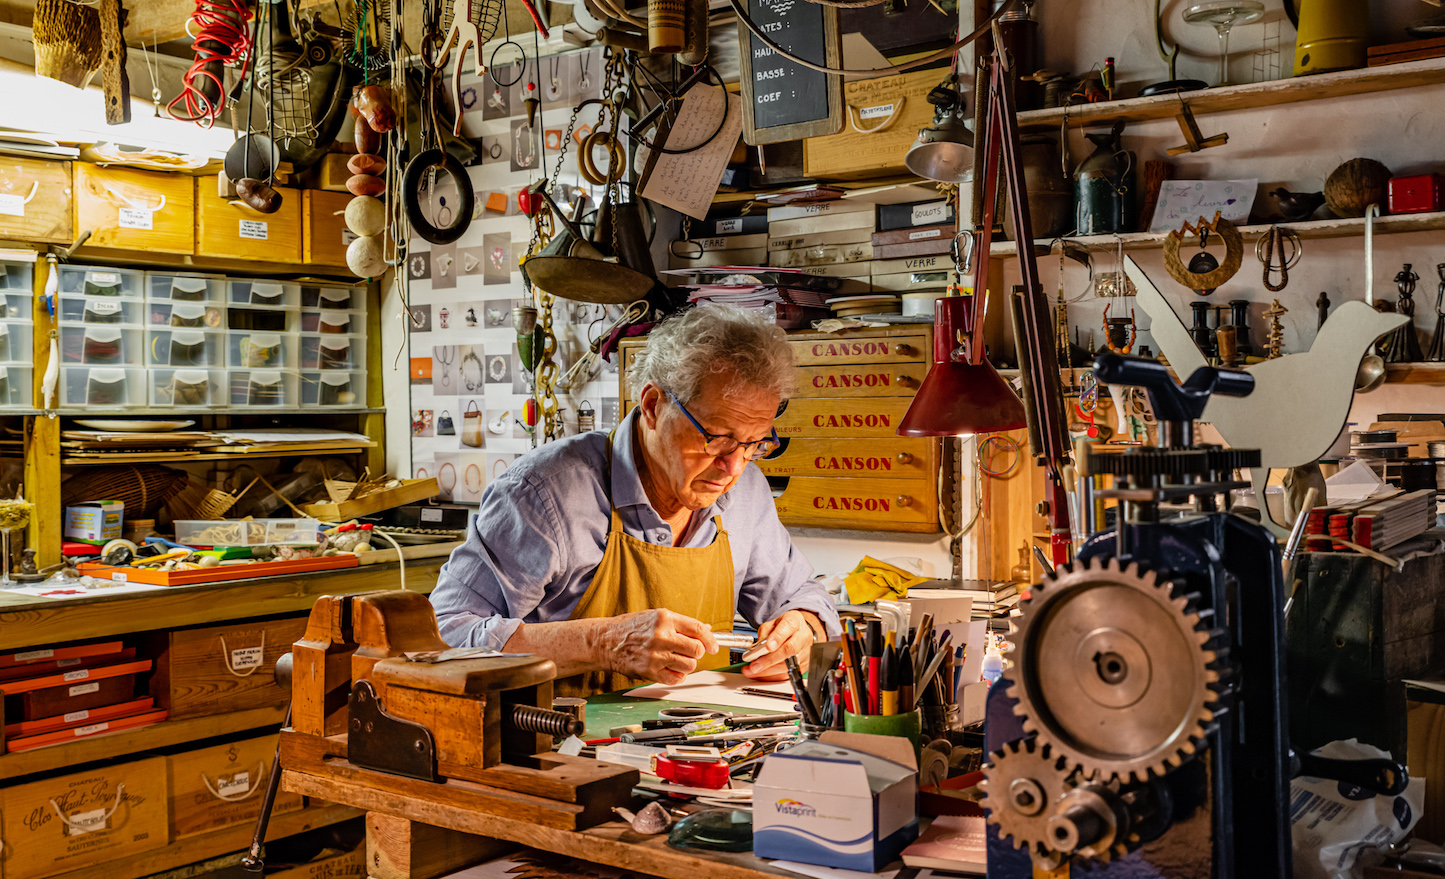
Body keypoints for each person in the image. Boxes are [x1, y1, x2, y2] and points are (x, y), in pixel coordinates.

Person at [431, 306, 839, 696]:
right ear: (652, 406)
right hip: (558, 747)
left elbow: (803, 595)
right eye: (717, 437)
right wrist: (601, 642)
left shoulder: (746, 490)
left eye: (754, 443)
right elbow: (439, 640)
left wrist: (804, 627)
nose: (733, 466)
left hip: (699, 744)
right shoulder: (544, 494)